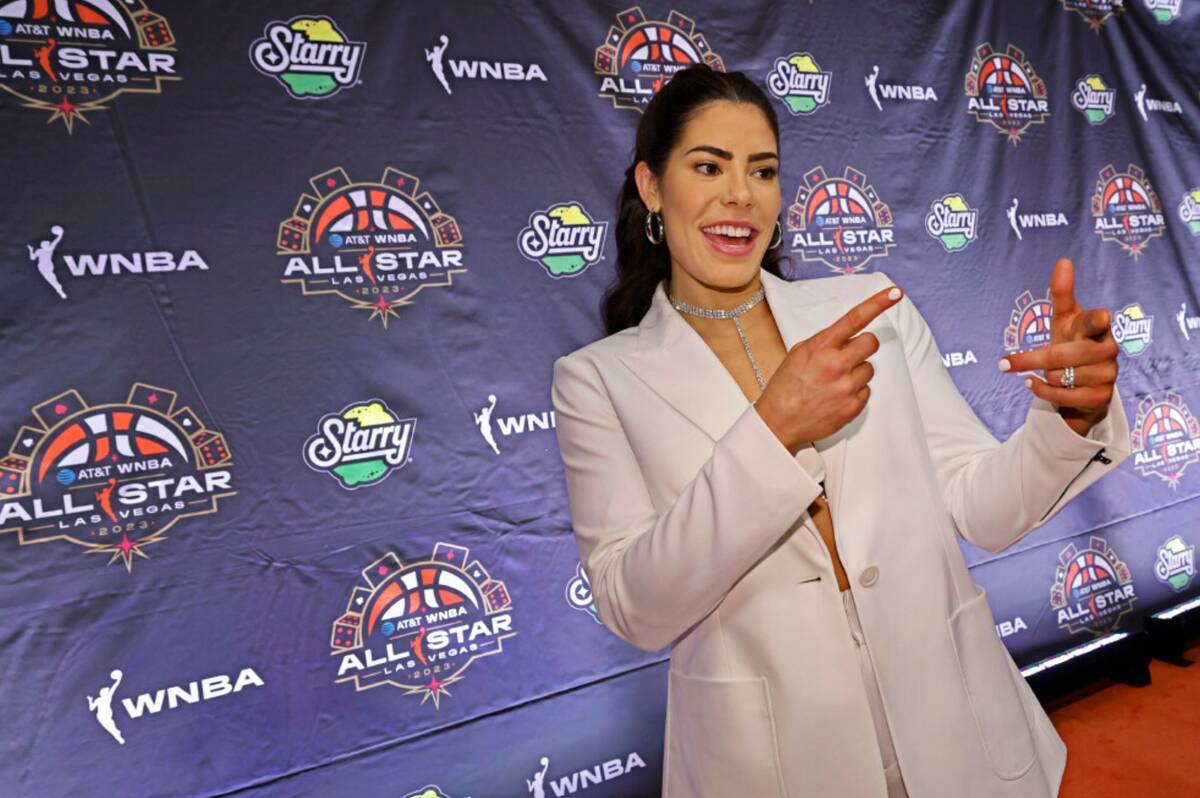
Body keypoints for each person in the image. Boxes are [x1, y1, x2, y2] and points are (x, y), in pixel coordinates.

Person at [551, 66, 1128, 798]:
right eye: (708, 166)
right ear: (652, 187)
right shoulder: (597, 380)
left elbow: (981, 506)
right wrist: (772, 432)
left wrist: (1070, 418)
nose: (740, 195)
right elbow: (636, 607)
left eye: (762, 170)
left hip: (963, 740)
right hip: (776, 767)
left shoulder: (869, 310)